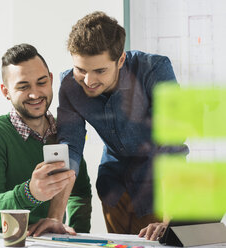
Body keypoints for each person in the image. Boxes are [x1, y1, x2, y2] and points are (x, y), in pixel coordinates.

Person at [56, 11, 188, 240]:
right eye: (81, 70)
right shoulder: (69, 85)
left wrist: (169, 222)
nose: (88, 81)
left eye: (99, 70)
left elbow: (171, 144)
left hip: (158, 183)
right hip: (113, 185)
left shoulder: (154, 70)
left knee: (158, 241)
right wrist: (55, 219)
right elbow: (69, 151)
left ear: (121, 60)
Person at [0, 43, 92, 236]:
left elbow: (80, 192)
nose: (35, 94)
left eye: (41, 82)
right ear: (6, 92)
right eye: (23, 86)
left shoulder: (66, 133)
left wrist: (75, 233)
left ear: (51, 79)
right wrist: (30, 193)